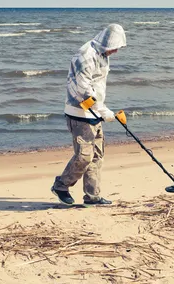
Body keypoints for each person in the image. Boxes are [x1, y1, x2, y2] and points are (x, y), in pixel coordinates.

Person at [51, 24, 127, 206]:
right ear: (107, 42)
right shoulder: (84, 56)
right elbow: (84, 90)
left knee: (96, 156)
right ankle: (61, 185)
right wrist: (103, 111)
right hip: (79, 113)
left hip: (95, 111)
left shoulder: (102, 54)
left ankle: (92, 196)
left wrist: (102, 109)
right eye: (115, 47)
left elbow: (97, 85)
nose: (116, 51)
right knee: (84, 156)